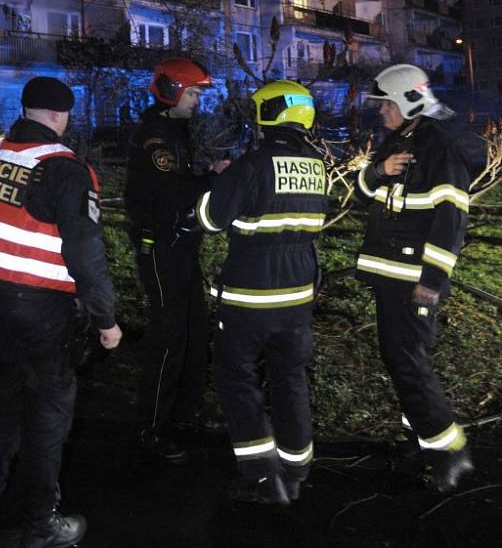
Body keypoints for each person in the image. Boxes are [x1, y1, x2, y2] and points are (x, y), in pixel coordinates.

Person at [0, 76, 122, 548]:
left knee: (0, 408)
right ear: (59, 115)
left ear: (27, 110)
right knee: (48, 418)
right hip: (45, 311)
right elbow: (86, 253)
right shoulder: (66, 169)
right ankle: (39, 525)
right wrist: (106, 320)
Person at [196, 80, 328, 504]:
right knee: (291, 381)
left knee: (238, 381)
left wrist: (216, 182)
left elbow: (211, 219)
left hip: (249, 297)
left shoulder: (252, 165)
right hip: (298, 298)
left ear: (269, 114)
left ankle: (261, 476)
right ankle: (296, 469)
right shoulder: (317, 165)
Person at [355, 64, 474, 492]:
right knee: (400, 360)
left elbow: (451, 220)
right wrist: (378, 171)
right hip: (391, 277)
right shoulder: (398, 142)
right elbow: (362, 190)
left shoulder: (439, 148)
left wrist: (433, 279)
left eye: (386, 103)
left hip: (413, 280)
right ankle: (421, 440)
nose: (381, 111)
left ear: (407, 102)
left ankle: (450, 453)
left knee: (408, 363)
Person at [125, 58, 229, 464]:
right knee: (169, 336)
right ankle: (152, 428)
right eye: (194, 93)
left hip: (180, 245)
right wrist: (214, 177)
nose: (198, 100)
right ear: (172, 91)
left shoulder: (173, 131)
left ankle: (185, 413)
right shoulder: (156, 139)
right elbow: (171, 192)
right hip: (160, 247)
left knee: (194, 328)